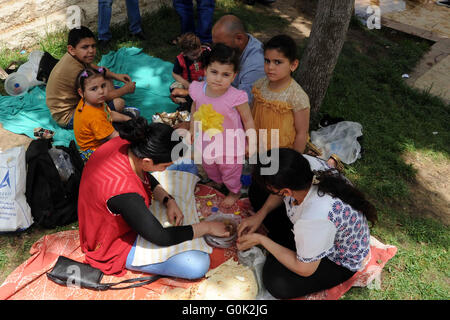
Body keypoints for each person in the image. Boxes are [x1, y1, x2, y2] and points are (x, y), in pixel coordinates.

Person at [78, 116, 231, 278]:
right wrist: (207, 227)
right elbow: (161, 236)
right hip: (113, 242)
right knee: (197, 265)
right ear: (146, 161)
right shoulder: (124, 192)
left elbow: (143, 174)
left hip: (120, 201)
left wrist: (168, 200)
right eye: (164, 166)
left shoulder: (128, 144)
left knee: (186, 165)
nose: (165, 170)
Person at [237, 148, 377, 299]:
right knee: (258, 191)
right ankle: (285, 243)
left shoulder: (314, 218)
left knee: (277, 283)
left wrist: (262, 240)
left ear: (286, 191)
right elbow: (281, 191)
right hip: (316, 229)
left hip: (336, 260)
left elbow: (305, 269)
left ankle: (283, 243)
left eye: (276, 191)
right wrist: (260, 215)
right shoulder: (301, 164)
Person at [188, 43, 256, 208]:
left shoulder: (236, 97)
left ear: (234, 76)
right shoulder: (197, 89)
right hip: (206, 140)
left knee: (230, 170)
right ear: (205, 70)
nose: (218, 79)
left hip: (230, 144)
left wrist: (251, 143)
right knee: (209, 165)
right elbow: (195, 106)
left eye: (225, 74)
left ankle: (234, 191)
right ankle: (217, 182)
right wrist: (192, 127)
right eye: (214, 72)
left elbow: (247, 120)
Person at [46, 26, 136, 129]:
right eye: (85, 47)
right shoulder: (75, 71)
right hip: (69, 117)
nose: (91, 50)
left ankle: (112, 106)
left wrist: (115, 76)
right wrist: (124, 90)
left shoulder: (75, 57)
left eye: (93, 46)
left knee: (105, 78)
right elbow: (95, 97)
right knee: (119, 103)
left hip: (77, 100)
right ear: (71, 49)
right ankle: (115, 115)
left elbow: (96, 69)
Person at [251, 34, 310, 154]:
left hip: (281, 155)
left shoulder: (297, 97)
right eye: (267, 61)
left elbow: (301, 134)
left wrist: (293, 162)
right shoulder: (259, 85)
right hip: (255, 148)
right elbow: (253, 114)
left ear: (293, 65)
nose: (270, 67)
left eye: (277, 62)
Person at [73, 67, 131, 162]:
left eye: (103, 86)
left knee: (128, 119)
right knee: (126, 152)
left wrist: (127, 119)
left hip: (101, 132)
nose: (101, 91)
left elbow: (109, 114)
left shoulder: (94, 101)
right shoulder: (94, 116)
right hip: (94, 151)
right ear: (81, 92)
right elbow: (115, 136)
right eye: (94, 89)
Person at [211, 14, 265, 104]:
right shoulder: (233, 47)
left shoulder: (256, 66)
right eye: (215, 45)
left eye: (221, 45)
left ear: (239, 38)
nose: (217, 51)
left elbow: (241, 105)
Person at [170, 33, 210, 111]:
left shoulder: (206, 53)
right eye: (194, 55)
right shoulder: (180, 60)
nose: (198, 56)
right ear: (184, 53)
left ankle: (193, 98)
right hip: (188, 83)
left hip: (204, 81)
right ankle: (183, 102)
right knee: (174, 87)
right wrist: (186, 84)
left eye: (199, 51)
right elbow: (174, 74)